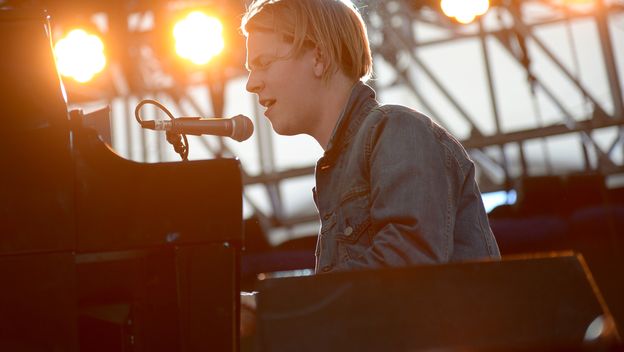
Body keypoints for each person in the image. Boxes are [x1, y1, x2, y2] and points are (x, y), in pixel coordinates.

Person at [239, 0, 500, 334]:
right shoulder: (341, 166)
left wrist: (273, 307)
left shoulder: (397, 130)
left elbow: (405, 270)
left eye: (263, 63)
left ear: (318, 57)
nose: (251, 83)